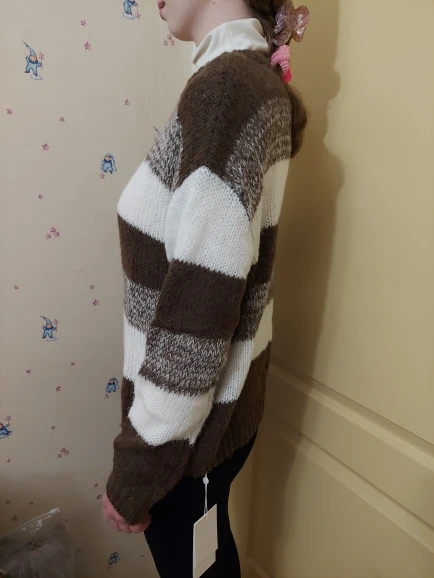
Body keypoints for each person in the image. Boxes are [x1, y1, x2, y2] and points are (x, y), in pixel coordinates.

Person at [102, 0, 309, 576]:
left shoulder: (226, 91)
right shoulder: (247, 82)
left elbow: (198, 312)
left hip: (185, 438)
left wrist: (137, 472)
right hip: (212, 418)